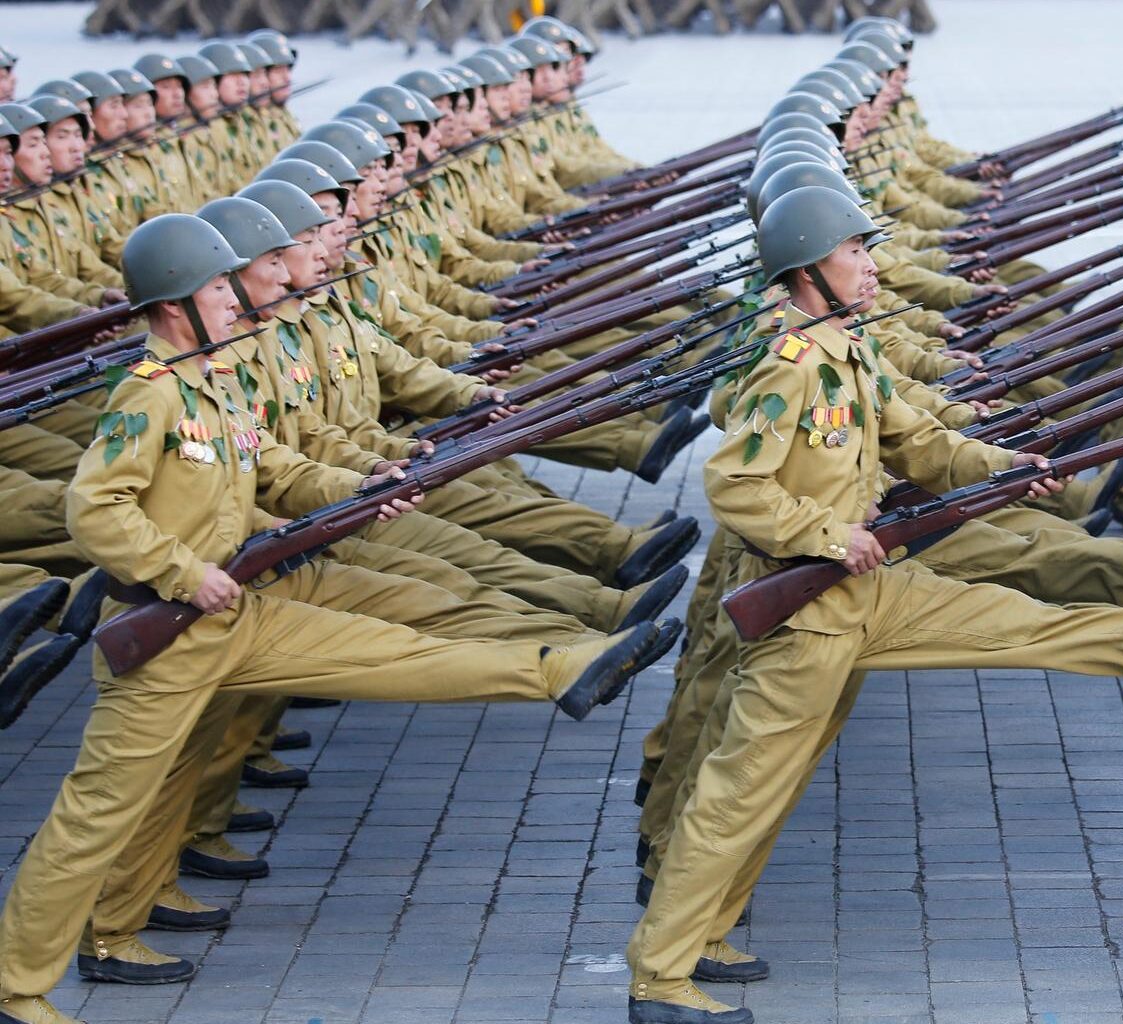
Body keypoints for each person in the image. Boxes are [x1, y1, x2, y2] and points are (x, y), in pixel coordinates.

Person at [624, 185, 1123, 1024]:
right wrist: (826, 535)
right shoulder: (789, 370)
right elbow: (735, 483)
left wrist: (1009, 468)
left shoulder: (849, 351)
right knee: (743, 791)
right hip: (807, 617)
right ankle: (660, 974)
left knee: (1020, 623)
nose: (870, 266)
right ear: (807, 270)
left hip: (866, 597)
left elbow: (924, 443)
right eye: (854, 253)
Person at [0, 215, 678, 1024]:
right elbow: (94, 509)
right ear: (177, 304)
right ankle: (17, 985)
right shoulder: (146, 396)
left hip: (238, 613)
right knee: (95, 816)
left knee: (394, 653)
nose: (234, 297)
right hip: (169, 636)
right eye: (218, 286)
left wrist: (356, 489)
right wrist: (185, 571)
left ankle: (560, 666)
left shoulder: (212, 379)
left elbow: (273, 465)